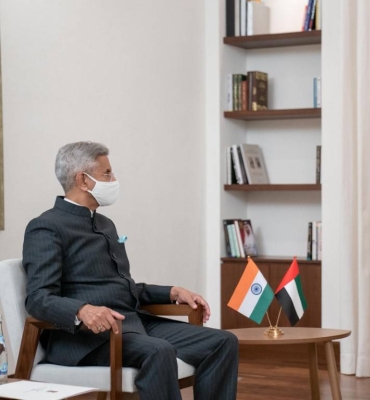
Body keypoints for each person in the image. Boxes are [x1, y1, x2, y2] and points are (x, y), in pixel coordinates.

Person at [23, 142, 238, 400]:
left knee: (223, 342)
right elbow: (38, 297)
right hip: (86, 339)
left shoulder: (104, 224)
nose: (114, 180)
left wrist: (170, 292)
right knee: (158, 351)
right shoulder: (46, 227)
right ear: (83, 180)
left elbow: (121, 287)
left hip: (132, 323)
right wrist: (81, 310)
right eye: (107, 174)